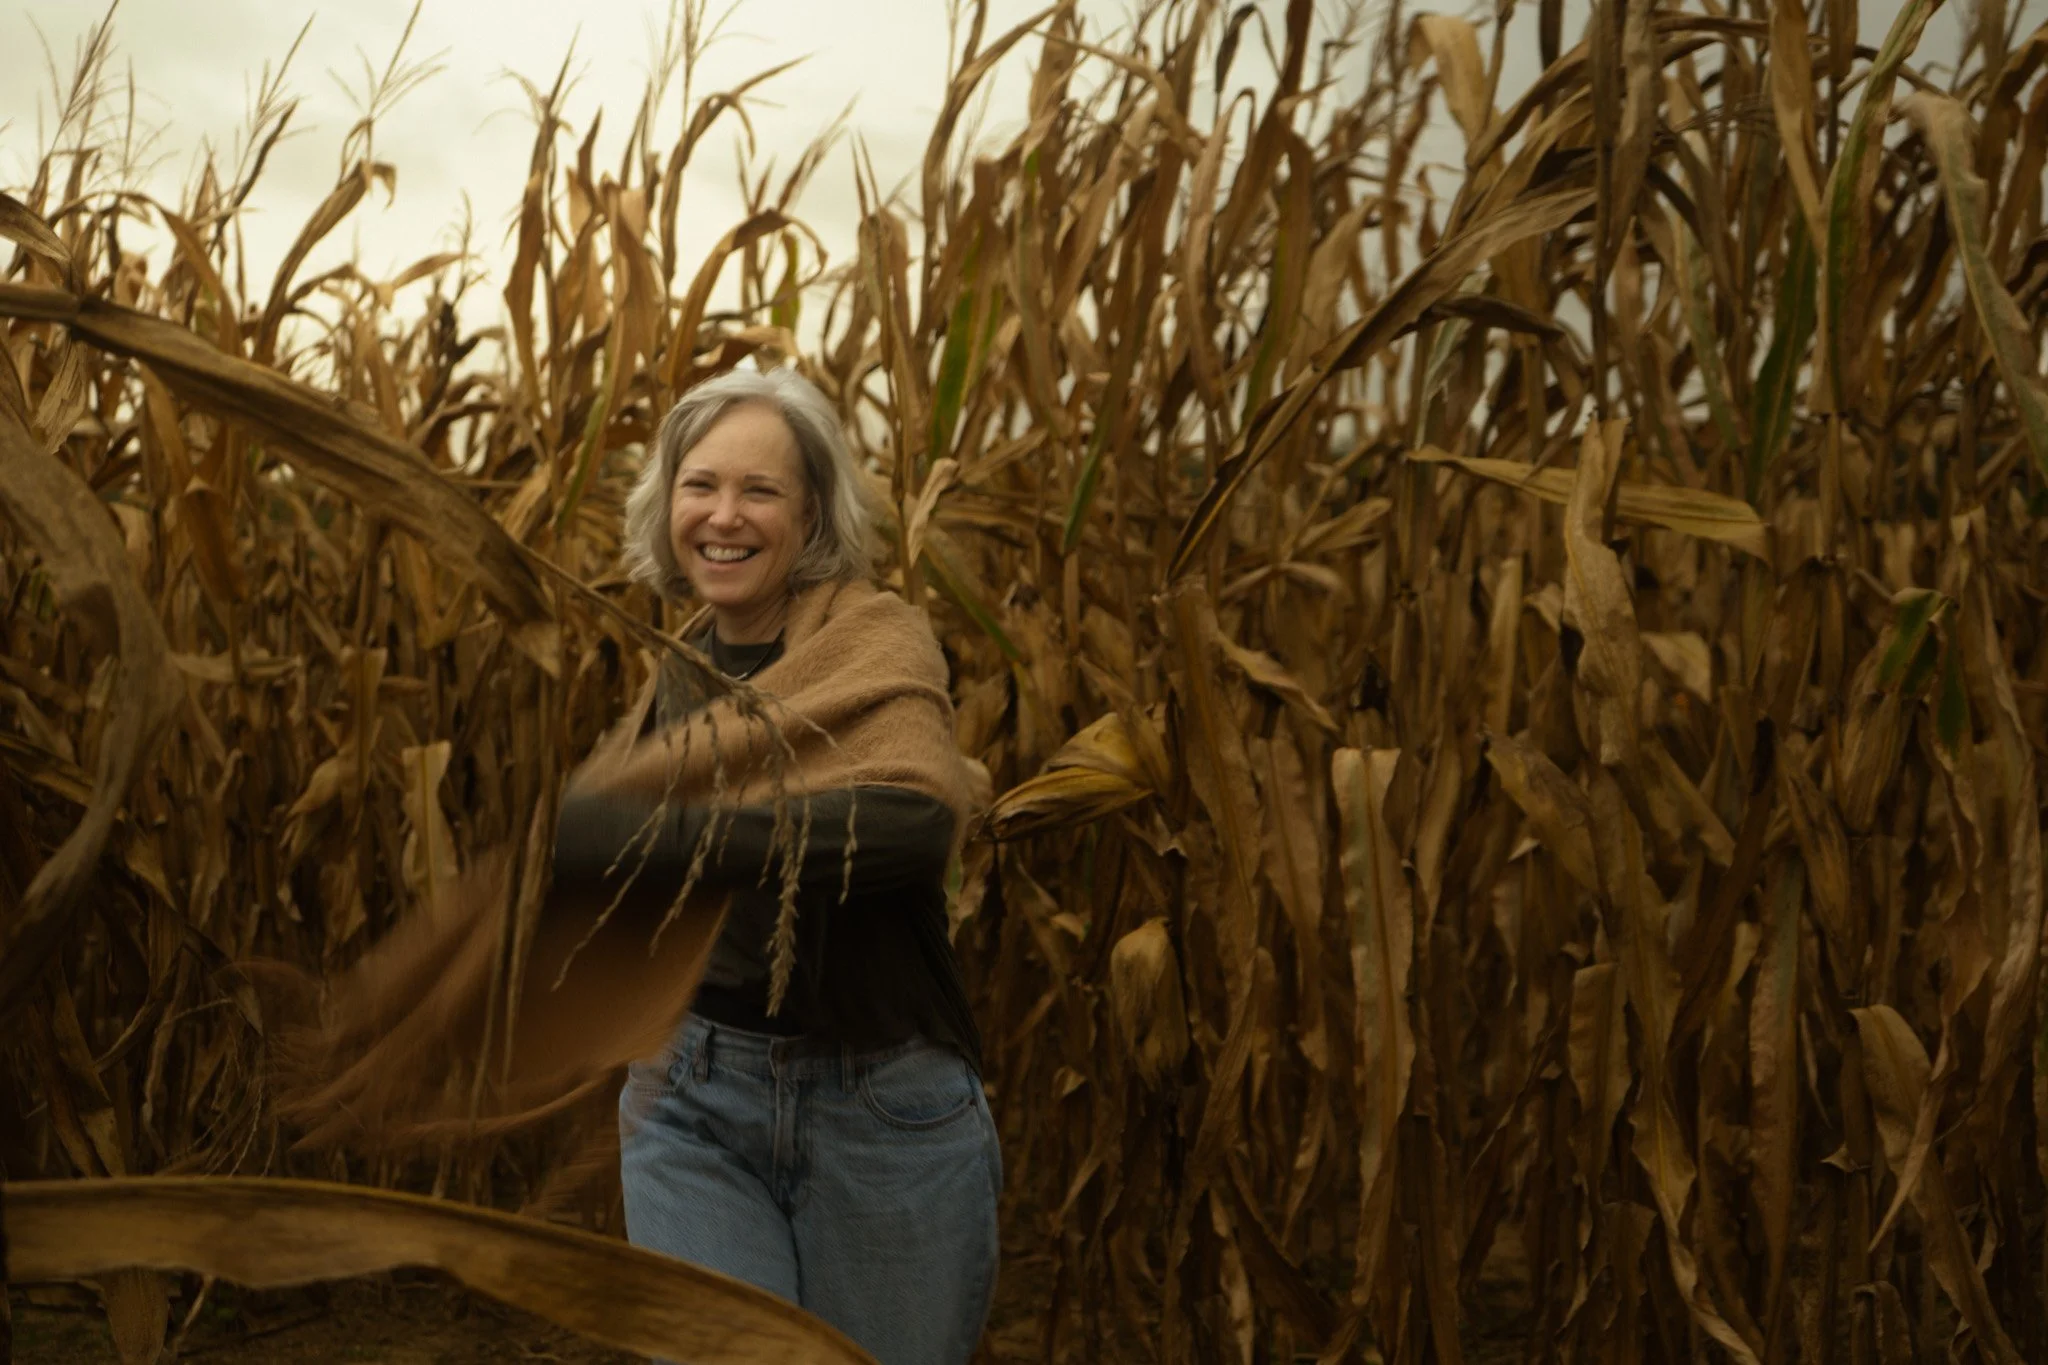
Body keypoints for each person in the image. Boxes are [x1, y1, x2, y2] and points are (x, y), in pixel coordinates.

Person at [547, 368, 1000, 1365]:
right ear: (666, 504)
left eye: (759, 491)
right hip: (692, 1099)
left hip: (879, 1107)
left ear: (811, 514)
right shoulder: (682, 670)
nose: (723, 516)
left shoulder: (874, 642)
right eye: (698, 485)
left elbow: (913, 824)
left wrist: (669, 846)